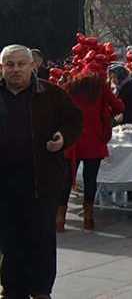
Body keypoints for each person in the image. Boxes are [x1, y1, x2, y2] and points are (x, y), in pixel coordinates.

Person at [1, 44, 83, 299]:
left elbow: (75, 121)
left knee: (41, 240)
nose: (15, 69)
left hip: (41, 182)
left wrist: (63, 138)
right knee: (8, 240)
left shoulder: (52, 94)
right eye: (9, 64)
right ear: (1, 68)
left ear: (32, 66)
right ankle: (12, 289)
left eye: (20, 64)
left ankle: (40, 290)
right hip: (4, 184)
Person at [59, 72, 124, 232]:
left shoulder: (70, 86)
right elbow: (118, 107)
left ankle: (59, 218)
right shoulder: (101, 87)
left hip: (73, 139)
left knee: (65, 179)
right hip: (94, 140)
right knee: (90, 179)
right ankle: (88, 218)